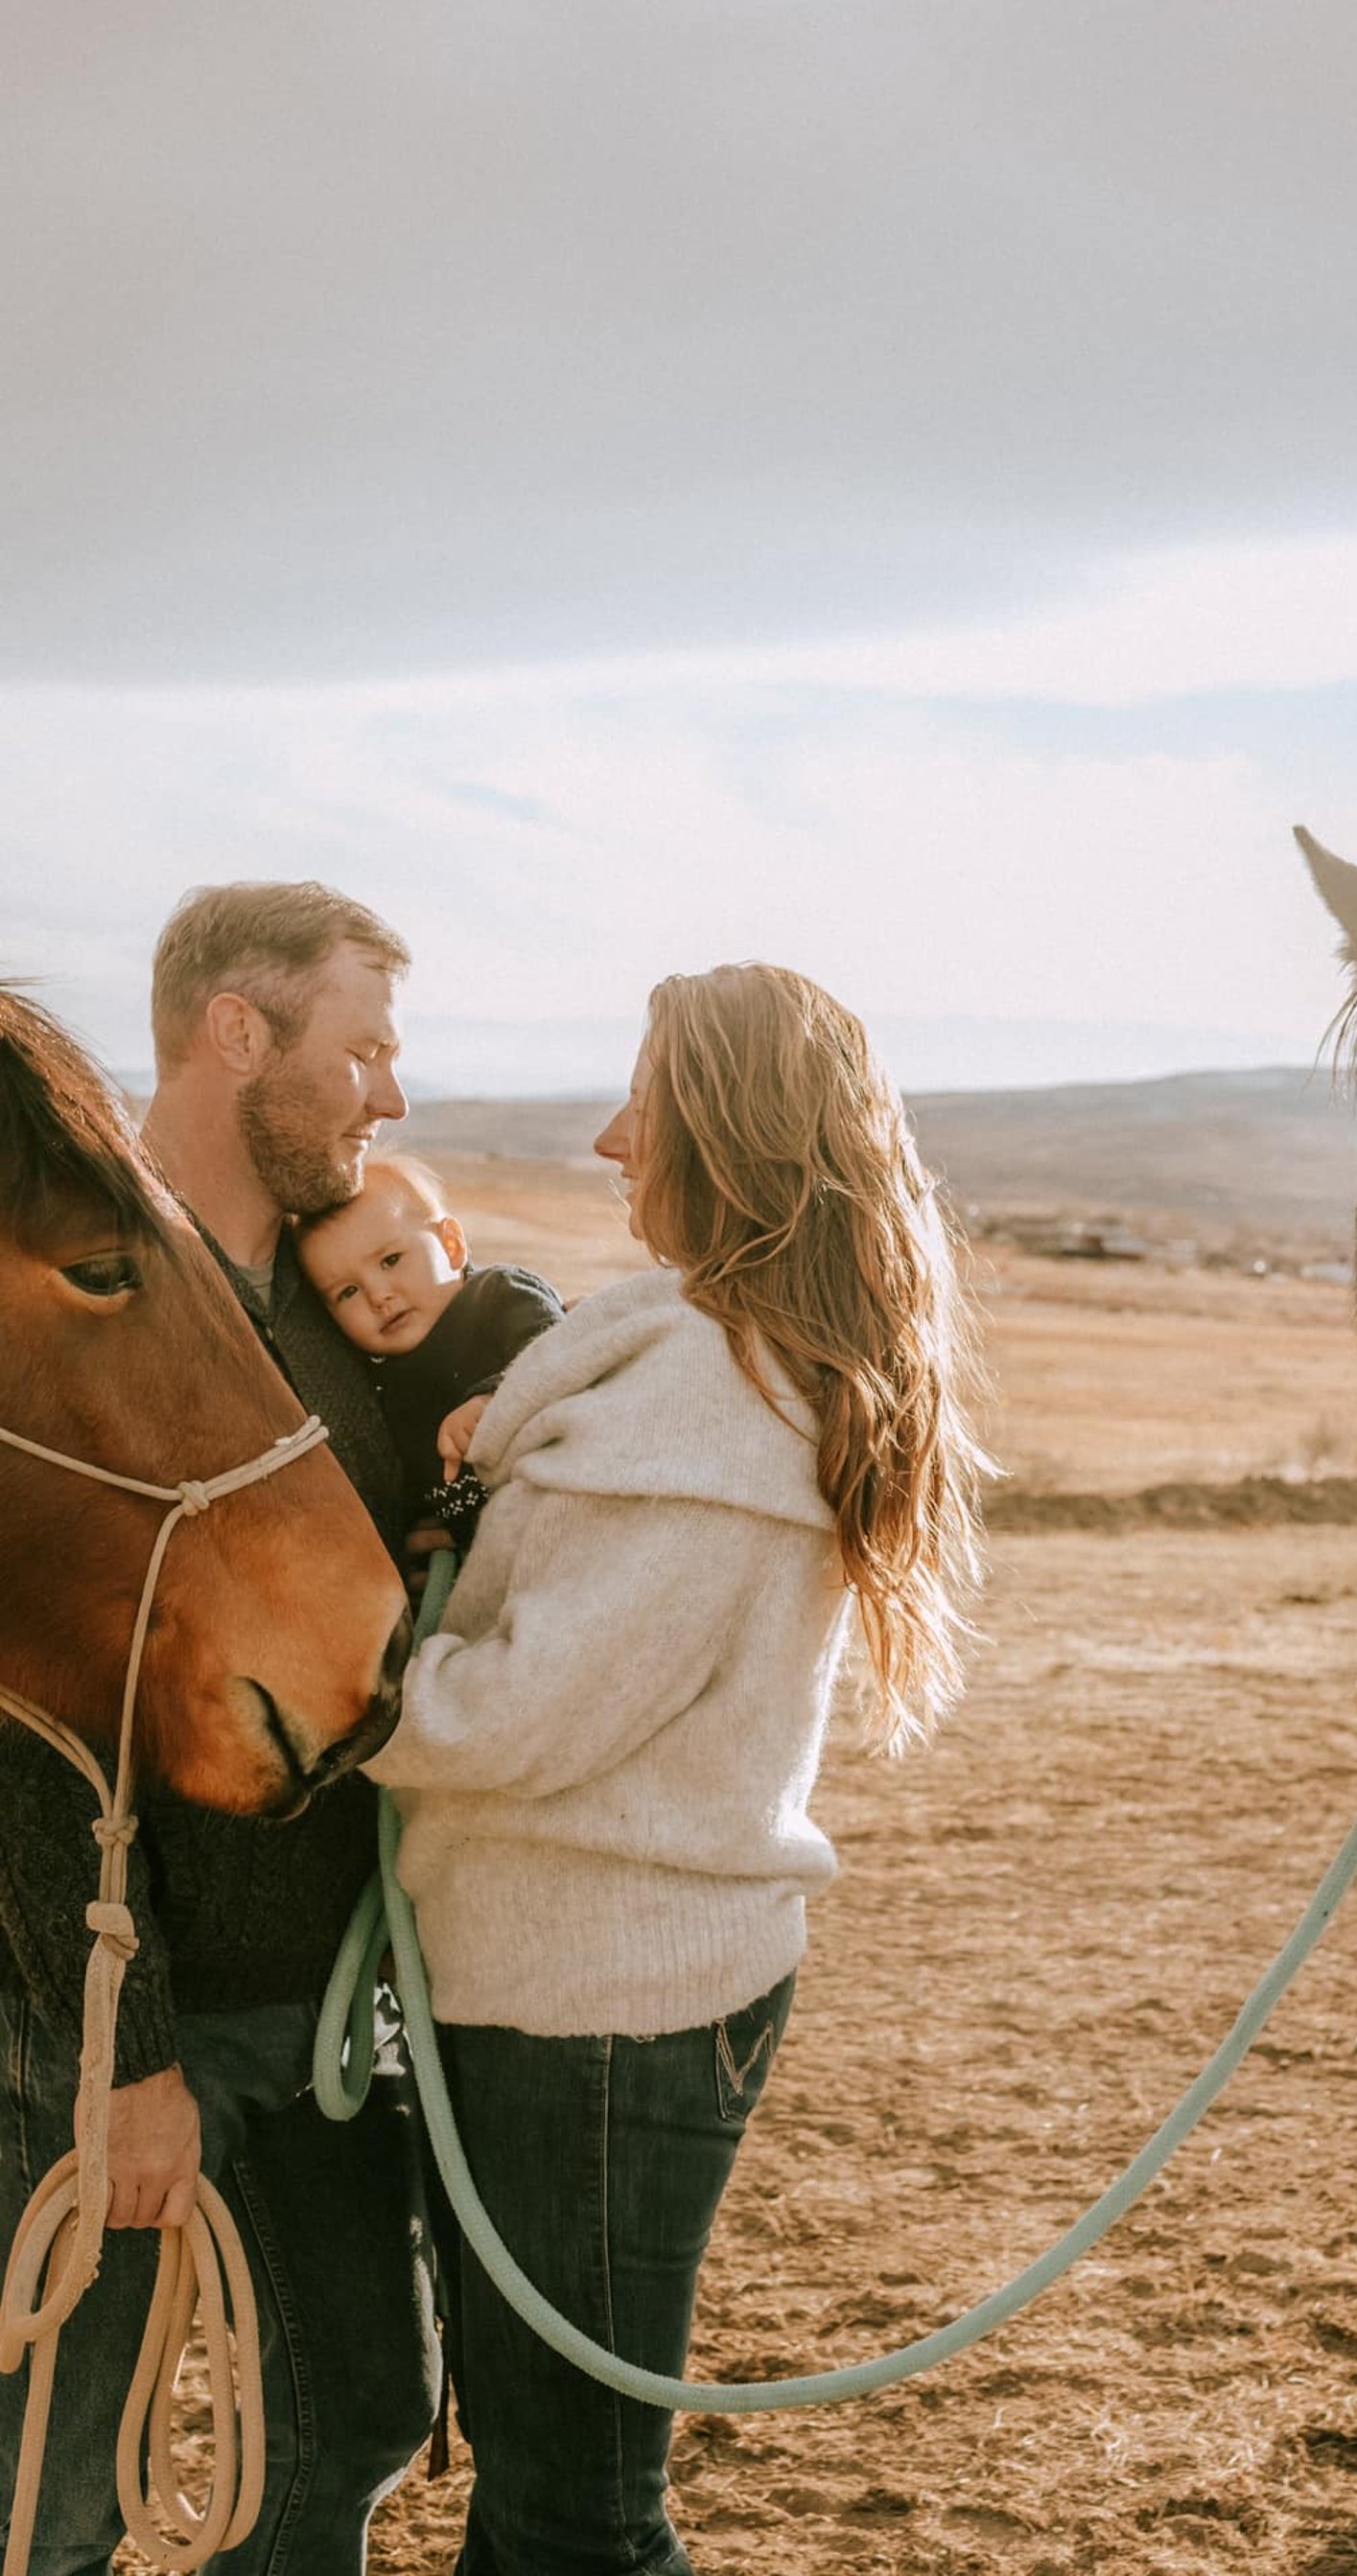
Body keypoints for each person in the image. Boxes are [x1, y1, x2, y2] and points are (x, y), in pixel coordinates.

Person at [365, 962, 989, 2576]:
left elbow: (514, 1715)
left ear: (722, 1127)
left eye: (642, 1099)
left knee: (578, 2512)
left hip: (597, 2013)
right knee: (540, 2485)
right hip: (584, 1989)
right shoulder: (707, 1366)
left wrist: (331, 1687)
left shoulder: (712, 1408)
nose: (605, 1138)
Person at [0, 881, 439, 2575]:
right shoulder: (72, 1257)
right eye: (363, 1048)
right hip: (104, 2008)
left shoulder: (355, 1296)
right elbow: (32, 1703)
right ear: (238, 1033)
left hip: (322, 2000)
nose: (388, 1092)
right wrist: (124, 2050)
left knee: (351, 2421)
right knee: (57, 2469)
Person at [296, 1154, 565, 1544]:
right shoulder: (374, 1378)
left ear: (452, 1245)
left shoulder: (497, 1297)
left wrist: (494, 1398)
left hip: (558, 1517)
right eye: (347, 1292)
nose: (378, 1295)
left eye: (391, 1260)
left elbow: (558, 1352)